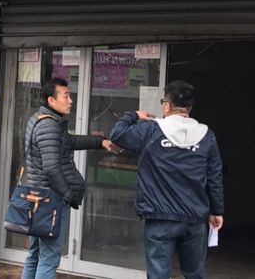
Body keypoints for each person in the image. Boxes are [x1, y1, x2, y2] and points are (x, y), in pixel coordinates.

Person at [110, 80, 224, 279]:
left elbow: (117, 135)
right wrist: (217, 211)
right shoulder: (207, 136)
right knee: (195, 274)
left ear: (167, 106)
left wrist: (134, 115)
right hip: (195, 218)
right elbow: (214, 177)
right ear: (189, 107)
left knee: (158, 275)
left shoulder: (151, 131)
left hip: (160, 217)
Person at [22, 77, 120, 279]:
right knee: (48, 258)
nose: (71, 100)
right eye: (66, 96)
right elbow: (51, 169)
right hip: (50, 201)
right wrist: (68, 195)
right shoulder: (49, 126)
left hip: (38, 198)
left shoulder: (42, 119)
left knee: (35, 255)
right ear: (51, 100)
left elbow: (68, 142)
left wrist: (100, 142)